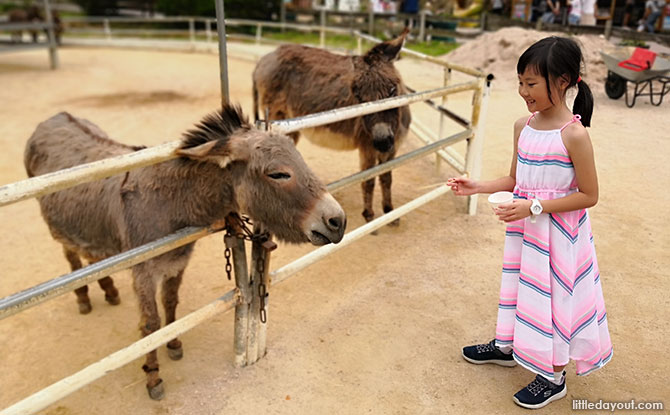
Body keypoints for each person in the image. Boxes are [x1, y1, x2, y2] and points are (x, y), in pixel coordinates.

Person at [447, 37, 612, 410]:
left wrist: (533, 207)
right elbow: (514, 180)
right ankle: (509, 345)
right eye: (520, 82)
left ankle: (554, 377)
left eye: (531, 84)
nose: (523, 91)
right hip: (528, 230)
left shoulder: (574, 134)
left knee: (554, 300)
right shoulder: (524, 126)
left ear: (564, 81)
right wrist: (478, 186)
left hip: (560, 236)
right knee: (522, 289)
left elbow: (589, 195)